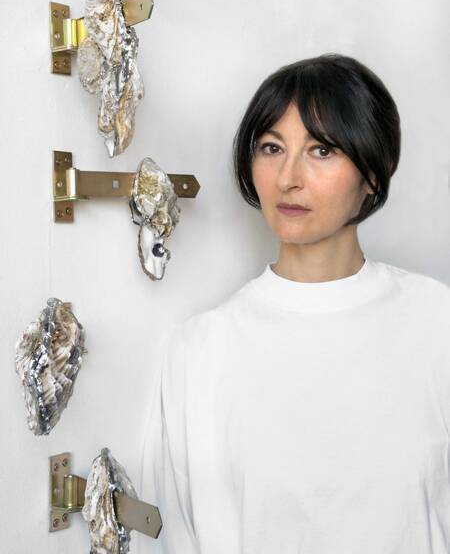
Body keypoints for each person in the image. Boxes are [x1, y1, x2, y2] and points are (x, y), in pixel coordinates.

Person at [138, 53, 450, 554]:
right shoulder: (201, 350)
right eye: (271, 147)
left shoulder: (435, 324)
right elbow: (176, 533)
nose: (288, 178)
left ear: (375, 169)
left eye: (321, 150)